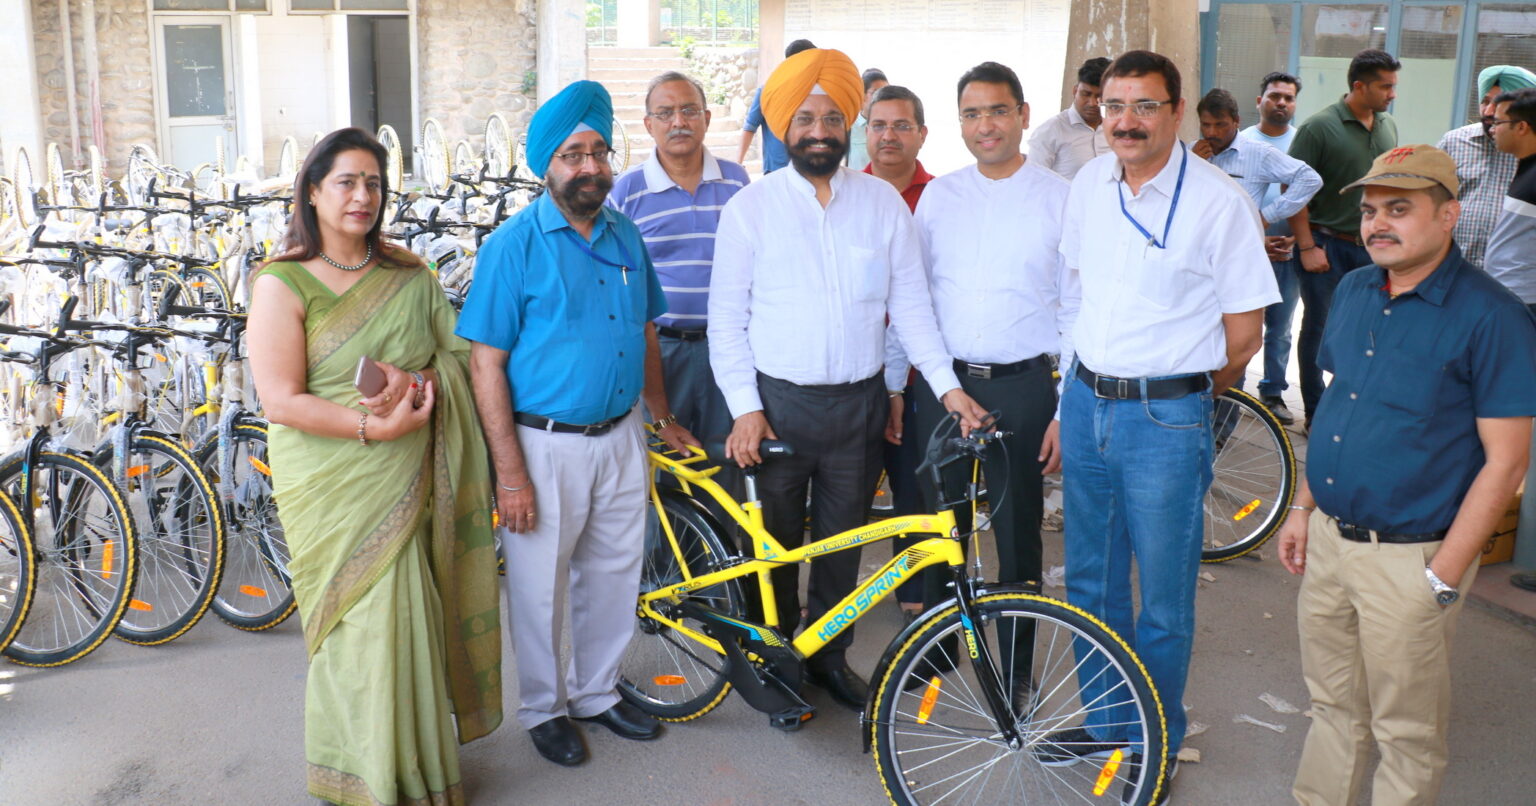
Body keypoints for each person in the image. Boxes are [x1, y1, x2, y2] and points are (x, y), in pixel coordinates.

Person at [709, 47, 987, 711]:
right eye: (805, 117)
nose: (818, 129)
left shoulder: (883, 205)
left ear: (848, 126)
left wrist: (947, 389)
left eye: (832, 117)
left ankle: (829, 657)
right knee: (771, 549)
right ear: (784, 126)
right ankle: (773, 664)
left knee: (842, 548)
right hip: (777, 409)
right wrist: (746, 409)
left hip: (858, 410)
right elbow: (726, 324)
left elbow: (912, 311)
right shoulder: (752, 209)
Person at [1040, 51, 1278, 804]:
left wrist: (1177, 399)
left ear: (1176, 112)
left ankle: (1155, 738)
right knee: (1089, 580)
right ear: (1099, 110)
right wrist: (1066, 400)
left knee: (1164, 599)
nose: (1127, 121)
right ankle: (1108, 721)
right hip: (1085, 403)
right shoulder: (1087, 184)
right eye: (1115, 105)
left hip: (1164, 416)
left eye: (1144, 106)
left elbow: (1245, 337)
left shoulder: (1218, 201)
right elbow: (1074, 298)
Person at [248, 127, 502, 805]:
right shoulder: (282, 282)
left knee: (406, 613)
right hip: (330, 480)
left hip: (404, 471)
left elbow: (453, 362)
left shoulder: (409, 275)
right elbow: (281, 398)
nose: (363, 196)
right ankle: (359, 776)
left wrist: (416, 384)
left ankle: (412, 774)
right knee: (351, 627)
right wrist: (372, 424)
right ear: (312, 191)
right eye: (347, 182)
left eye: (374, 184)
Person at [1278, 144, 1536, 806]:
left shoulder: (1494, 318)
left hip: (1412, 558)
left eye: (1400, 209)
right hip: (1331, 543)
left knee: (1407, 733)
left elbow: (1507, 464)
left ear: (1449, 215)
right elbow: (1339, 406)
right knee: (1331, 705)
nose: (1377, 224)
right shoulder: (1360, 287)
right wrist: (1304, 506)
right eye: (1368, 211)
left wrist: (1444, 576)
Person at [457, 80, 699, 768]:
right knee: (540, 586)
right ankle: (544, 708)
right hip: (543, 445)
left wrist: (661, 414)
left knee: (616, 573)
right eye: (573, 154)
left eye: (598, 151)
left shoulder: (626, 233)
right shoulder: (514, 245)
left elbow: (646, 332)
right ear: (547, 166)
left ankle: (594, 691)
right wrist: (510, 476)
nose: (589, 166)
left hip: (621, 436)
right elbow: (485, 366)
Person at [905, 62, 1077, 706]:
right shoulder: (942, 197)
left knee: (1015, 535)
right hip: (944, 387)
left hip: (1024, 389)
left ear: (1024, 114)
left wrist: (1064, 406)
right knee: (939, 530)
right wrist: (915, 384)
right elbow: (915, 299)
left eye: (998, 111)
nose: (986, 126)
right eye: (973, 114)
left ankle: (1017, 672)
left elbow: (1076, 306)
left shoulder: (1060, 197)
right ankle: (942, 649)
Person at [608, 71, 749, 445]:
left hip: (729, 346)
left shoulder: (737, 183)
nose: (679, 122)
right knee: (668, 464)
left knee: (731, 459)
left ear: (707, 117)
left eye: (689, 111)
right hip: (660, 352)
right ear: (648, 125)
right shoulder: (626, 192)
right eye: (666, 113)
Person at [1194, 86, 1321, 424]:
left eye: (1219, 125)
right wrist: (1193, 162)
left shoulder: (1257, 153)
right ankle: (1195, 419)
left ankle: (1222, 431)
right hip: (1199, 267)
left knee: (1240, 346)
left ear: (1236, 122)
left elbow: (1309, 179)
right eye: (1205, 124)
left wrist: (1264, 217)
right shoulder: (1192, 155)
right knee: (1204, 344)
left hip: (1241, 266)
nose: (1211, 133)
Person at [1289, 49, 1400, 430]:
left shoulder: (1387, 126)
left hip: (1372, 248)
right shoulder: (1318, 128)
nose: (1392, 94)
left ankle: (1344, 407)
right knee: (1321, 329)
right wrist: (1306, 246)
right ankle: (1317, 414)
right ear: (1358, 86)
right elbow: (1293, 190)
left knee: (1364, 328)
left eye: (1393, 86)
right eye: (1385, 86)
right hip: (1325, 244)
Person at [859, 83, 935, 619]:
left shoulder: (943, 197)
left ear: (922, 134)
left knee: (916, 489)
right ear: (865, 133)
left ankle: (918, 604)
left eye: (901, 125)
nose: (889, 135)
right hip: (849, 375)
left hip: (918, 377)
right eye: (878, 125)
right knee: (846, 495)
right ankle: (832, 609)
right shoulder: (838, 192)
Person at [1240, 72, 1312, 423]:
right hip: (1248, 252)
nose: (1281, 102)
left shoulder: (1302, 145)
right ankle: (1232, 392)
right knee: (1240, 322)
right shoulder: (1240, 144)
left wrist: (1299, 239)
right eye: (1274, 96)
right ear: (1260, 102)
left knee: (1280, 327)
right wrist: (1255, 239)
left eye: (1288, 97)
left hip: (1287, 248)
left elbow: (1312, 196)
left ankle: (1272, 393)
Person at [1436, 66, 1534, 268]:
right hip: (1454, 268)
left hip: (1513, 276)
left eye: (1498, 105)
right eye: (1486, 101)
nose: (1489, 112)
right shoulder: (1454, 142)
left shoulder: (1529, 154)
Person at [1486, 87, 1536, 312]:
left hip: (1525, 300)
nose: (1492, 129)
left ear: (1522, 127)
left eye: (1498, 123)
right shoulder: (1524, 167)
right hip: (1508, 295)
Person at [739, 38, 817, 173]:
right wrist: (738, 162)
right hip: (777, 171)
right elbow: (750, 127)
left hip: (808, 171)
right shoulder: (768, 92)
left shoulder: (817, 94)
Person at [1029, 56, 1112, 180]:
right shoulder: (1050, 131)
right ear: (1075, 91)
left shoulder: (1116, 129)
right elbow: (1035, 180)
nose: (1093, 103)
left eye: (1100, 96)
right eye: (1086, 94)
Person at [848, 67, 890, 171]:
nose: (883, 98)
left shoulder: (892, 128)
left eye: (886, 93)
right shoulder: (848, 127)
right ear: (862, 96)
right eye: (876, 93)